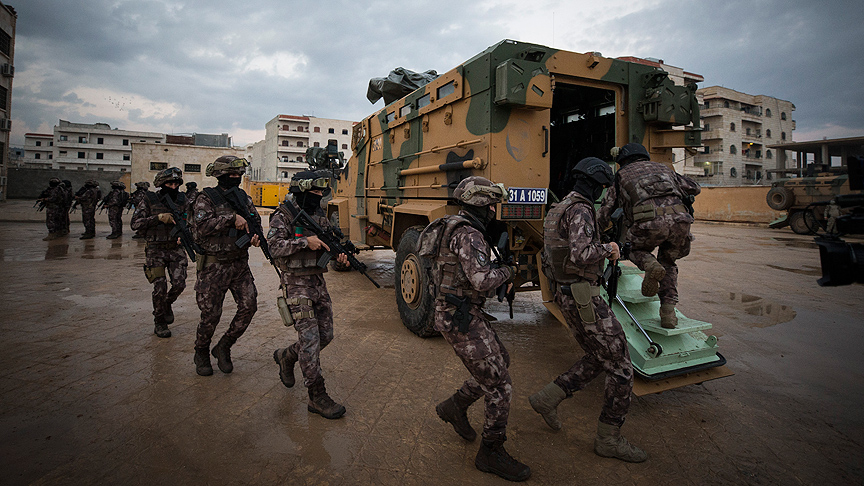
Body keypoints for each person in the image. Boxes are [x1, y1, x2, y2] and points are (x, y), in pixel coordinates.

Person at [529, 156, 647, 463]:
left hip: (567, 295)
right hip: (585, 298)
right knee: (621, 366)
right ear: (595, 185)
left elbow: (553, 254)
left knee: (598, 356)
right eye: (603, 188)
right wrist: (609, 248)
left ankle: (547, 398)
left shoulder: (558, 208)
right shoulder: (581, 209)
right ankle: (609, 438)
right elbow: (582, 253)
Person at [417, 176, 530, 482]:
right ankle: (490, 452)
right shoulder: (469, 235)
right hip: (460, 317)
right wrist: (510, 271)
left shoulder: (456, 225)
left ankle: (455, 407)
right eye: (492, 204)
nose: (495, 209)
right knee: (500, 385)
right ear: (480, 203)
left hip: (461, 312)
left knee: (498, 364)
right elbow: (481, 280)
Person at [271, 170, 349, 420]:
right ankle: (317, 396)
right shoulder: (282, 215)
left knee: (326, 335)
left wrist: (341, 257)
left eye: (320, 192)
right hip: (295, 283)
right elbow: (274, 247)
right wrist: (305, 242)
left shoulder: (317, 215)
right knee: (310, 339)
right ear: (301, 190)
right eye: (314, 191)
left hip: (316, 280)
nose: (318, 196)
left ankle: (287, 356)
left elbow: (326, 244)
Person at [598, 143, 701, 329]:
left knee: (632, 249)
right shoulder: (665, 169)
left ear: (623, 160)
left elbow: (606, 209)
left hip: (648, 223)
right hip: (680, 222)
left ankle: (649, 264)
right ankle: (668, 313)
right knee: (669, 263)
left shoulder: (622, 175)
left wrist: (597, 232)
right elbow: (695, 187)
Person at [190, 155, 260, 376]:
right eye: (232, 174)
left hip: (239, 264)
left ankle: (224, 346)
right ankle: (201, 351)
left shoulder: (243, 197)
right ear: (220, 175)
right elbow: (200, 227)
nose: (236, 177)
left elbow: (254, 220)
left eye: (239, 174)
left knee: (249, 306)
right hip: (214, 266)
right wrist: (231, 218)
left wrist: (255, 235)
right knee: (211, 315)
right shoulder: (206, 198)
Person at [130, 168, 189, 338]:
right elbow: (135, 224)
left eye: (176, 183)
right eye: (169, 183)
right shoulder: (149, 199)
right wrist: (157, 218)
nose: (173, 186)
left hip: (175, 248)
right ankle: (160, 322)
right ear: (161, 184)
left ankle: (166, 304)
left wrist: (184, 235)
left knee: (179, 284)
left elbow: (191, 221)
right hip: (155, 249)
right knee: (160, 287)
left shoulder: (182, 199)